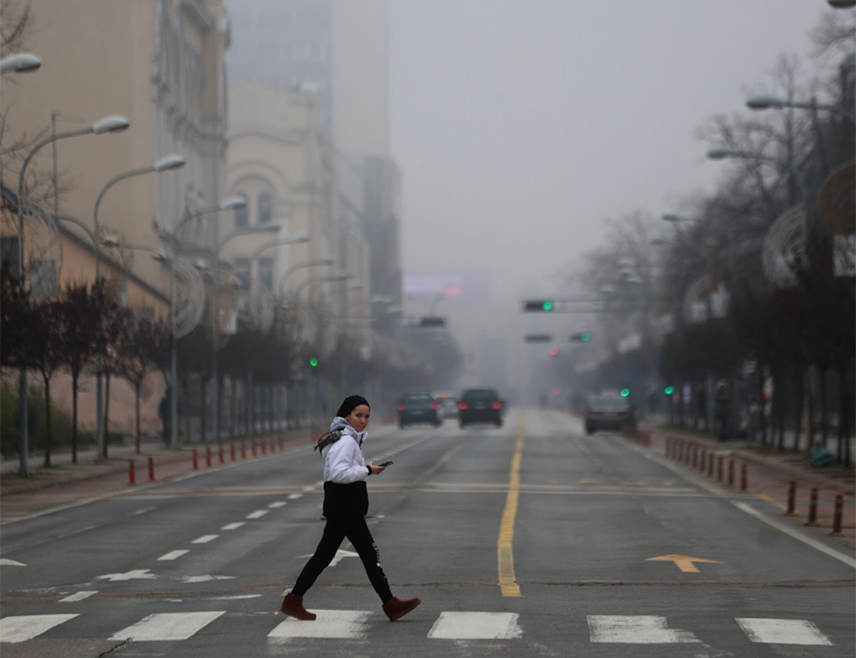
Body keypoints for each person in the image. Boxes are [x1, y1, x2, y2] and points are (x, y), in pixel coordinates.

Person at [280, 395, 421, 622]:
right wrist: (367, 470)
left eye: (366, 416)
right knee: (325, 556)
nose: (363, 421)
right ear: (346, 416)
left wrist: (366, 469)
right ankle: (294, 599)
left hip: (350, 509)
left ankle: (390, 603)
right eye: (358, 416)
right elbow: (338, 474)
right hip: (343, 508)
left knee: (369, 554)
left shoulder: (348, 439)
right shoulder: (345, 441)